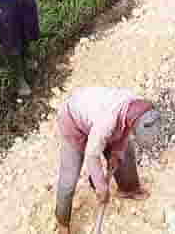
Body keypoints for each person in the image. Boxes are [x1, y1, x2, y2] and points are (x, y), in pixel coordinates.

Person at [55, 87, 160, 234]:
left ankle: (128, 189)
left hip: (97, 121)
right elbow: (92, 154)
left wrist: (116, 154)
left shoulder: (137, 107)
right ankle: (62, 222)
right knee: (69, 180)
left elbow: (125, 131)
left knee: (125, 153)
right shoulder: (107, 120)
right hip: (73, 122)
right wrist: (102, 188)